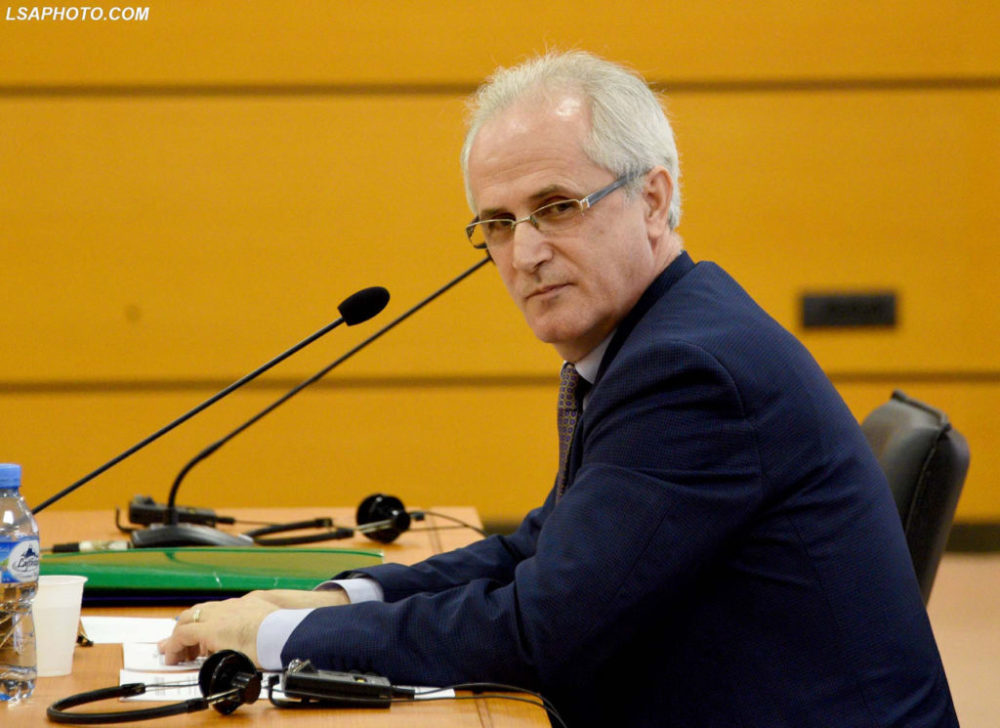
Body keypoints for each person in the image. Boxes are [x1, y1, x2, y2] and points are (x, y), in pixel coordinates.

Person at [160, 51, 957, 727]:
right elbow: (538, 551)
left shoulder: (690, 371)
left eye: (556, 207)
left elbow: (541, 630)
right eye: (498, 224)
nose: (525, 253)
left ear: (653, 200)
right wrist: (340, 601)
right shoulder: (657, 334)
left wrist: (276, 640)